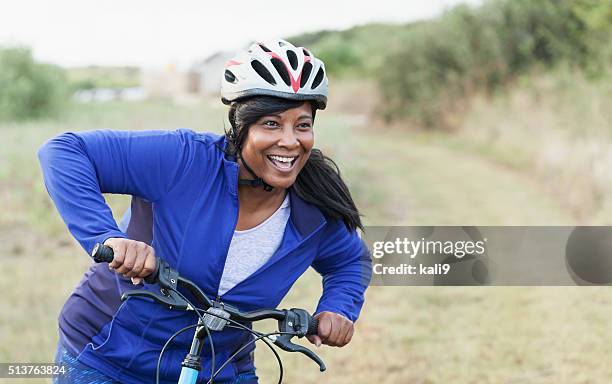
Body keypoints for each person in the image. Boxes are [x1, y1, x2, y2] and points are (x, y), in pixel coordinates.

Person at [38, 39, 372, 384]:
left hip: (219, 367)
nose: (290, 141)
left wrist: (338, 308)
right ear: (241, 126)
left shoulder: (314, 208)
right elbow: (64, 151)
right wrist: (108, 236)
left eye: (302, 125)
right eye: (271, 124)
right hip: (105, 357)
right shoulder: (184, 161)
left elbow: (349, 260)